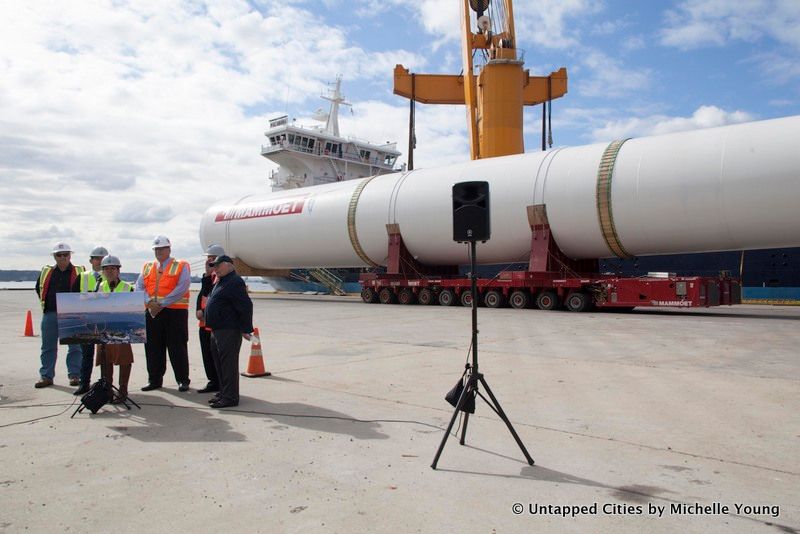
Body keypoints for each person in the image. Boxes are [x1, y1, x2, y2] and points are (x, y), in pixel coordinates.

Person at [135, 235, 191, 392]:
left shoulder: (181, 265)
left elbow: (182, 287)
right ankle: (154, 379)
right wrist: (150, 302)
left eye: (162, 249)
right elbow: (139, 287)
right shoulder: (147, 266)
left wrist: (161, 304)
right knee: (153, 348)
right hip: (152, 312)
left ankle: (182, 380)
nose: (159, 252)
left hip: (174, 313)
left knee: (177, 347)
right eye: (156, 249)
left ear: (169, 249)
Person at [204, 255, 253, 408]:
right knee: (219, 363)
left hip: (228, 330)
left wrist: (246, 329)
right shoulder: (222, 281)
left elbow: (246, 306)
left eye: (218, 265)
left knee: (228, 365)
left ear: (229, 265)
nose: (215, 268)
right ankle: (224, 393)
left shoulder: (235, 282)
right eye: (214, 266)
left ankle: (230, 397)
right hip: (217, 329)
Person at [34, 242, 84, 388]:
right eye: (59, 255)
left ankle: (75, 375)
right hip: (50, 313)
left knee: (75, 347)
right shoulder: (46, 272)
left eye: (66, 254)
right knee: (48, 347)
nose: (62, 257)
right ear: (54, 256)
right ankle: (46, 376)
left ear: (70, 255)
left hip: (72, 315)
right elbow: (39, 288)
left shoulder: (80, 271)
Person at [94, 255, 135, 403]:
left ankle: (123, 389)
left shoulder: (128, 288)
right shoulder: (99, 287)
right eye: (106, 269)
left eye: (113, 268)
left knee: (124, 359)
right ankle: (108, 390)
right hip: (104, 329)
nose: (110, 271)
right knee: (105, 359)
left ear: (118, 270)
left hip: (121, 330)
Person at [74, 245, 109, 395]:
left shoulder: (110, 276)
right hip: (86, 321)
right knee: (87, 354)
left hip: (104, 321)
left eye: (103, 259)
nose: (100, 262)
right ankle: (84, 384)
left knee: (105, 355)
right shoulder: (82, 276)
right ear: (91, 260)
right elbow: (72, 297)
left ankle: (106, 384)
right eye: (97, 259)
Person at [195, 244, 226, 394]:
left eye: (212, 259)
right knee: (207, 354)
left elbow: (216, 299)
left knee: (218, 356)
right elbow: (202, 294)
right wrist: (198, 310)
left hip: (214, 324)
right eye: (208, 259)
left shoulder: (221, 277)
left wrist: (204, 311)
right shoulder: (208, 277)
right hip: (204, 323)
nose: (209, 262)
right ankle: (213, 381)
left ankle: (221, 383)